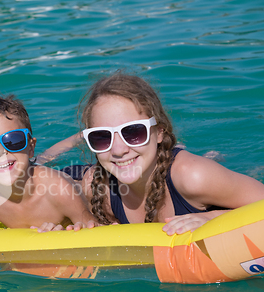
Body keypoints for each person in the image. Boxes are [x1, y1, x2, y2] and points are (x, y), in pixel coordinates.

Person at [64, 72, 264, 234]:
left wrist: (211, 218)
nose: (118, 149)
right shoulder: (98, 188)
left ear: (159, 132)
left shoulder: (193, 176)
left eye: (134, 132)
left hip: (188, 171)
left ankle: (213, 158)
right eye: (102, 137)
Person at [0, 96, 98, 239]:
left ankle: (87, 133)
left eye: (13, 140)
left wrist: (68, 235)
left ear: (31, 147)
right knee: (41, 159)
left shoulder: (60, 191)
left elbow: (93, 231)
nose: (0, 152)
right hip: (30, 169)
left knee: (91, 180)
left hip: (76, 180)